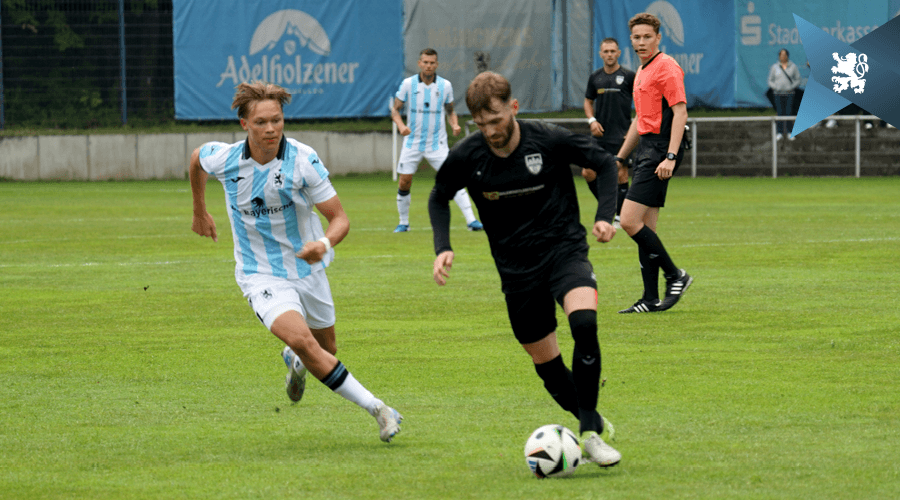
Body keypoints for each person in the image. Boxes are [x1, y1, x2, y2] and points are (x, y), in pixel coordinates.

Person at [189, 81, 402, 443]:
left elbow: (340, 218)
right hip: (260, 274)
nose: (271, 128)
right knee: (304, 340)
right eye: (261, 122)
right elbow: (196, 160)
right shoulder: (224, 158)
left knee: (326, 348)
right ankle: (379, 409)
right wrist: (199, 210)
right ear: (244, 124)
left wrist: (323, 242)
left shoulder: (303, 160)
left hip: (307, 269)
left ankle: (297, 360)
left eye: (277, 120)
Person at [429, 71, 622, 467]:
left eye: (496, 120)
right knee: (549, 368)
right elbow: (438, 196)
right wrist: (442, 247)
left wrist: (607, 216)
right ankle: (594, 419)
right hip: (517, 272)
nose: (490, 130)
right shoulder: (469, 155)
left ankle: (588, 434)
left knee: (584, 324)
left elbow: (604, 164)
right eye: (481, 124)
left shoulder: (548, 139)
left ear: (513, 107)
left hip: (564, 252)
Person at [614, 12, 693, 314]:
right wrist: (621, 157)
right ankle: (649, 298)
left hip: (661, 149)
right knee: (646, 228)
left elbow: (681, 113)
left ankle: (676, 275)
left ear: (659, 38)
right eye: (637, 37)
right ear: (631, 40)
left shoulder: (667, 68)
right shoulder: (643, 71)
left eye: (648, 36)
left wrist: (670, 156)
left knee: (629, 221)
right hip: (647, 148)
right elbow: (639, 120)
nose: (642, 41)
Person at [390, 48, 483, 233]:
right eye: (425, 62)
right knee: (404, 182)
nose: (428, 65)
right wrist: (401, 126)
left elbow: (450, 110)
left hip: (437, 144)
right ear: (419, 63)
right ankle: (404, 223)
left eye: (432, 63)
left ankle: (471, 221)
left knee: (454, 178)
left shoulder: (445, 86)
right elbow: (395, 110)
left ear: (437, 65)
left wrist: (455, 124)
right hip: (413, 143)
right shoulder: (408, 84)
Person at [584, 37, 635, 227]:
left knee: (621, 172)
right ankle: (609, 204)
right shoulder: (595, 77)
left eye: (613, 51)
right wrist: (592, 121)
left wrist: (633, 129)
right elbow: (588, 101)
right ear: (600, 54)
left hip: (621, 135)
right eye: (606, 51)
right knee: (588, 172)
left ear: (619, 53)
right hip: (599, 136)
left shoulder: (629, 76)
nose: (609, 55)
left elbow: (641, 101)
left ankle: (621, 216)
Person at [767, 48, 801, 140]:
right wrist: (775, 87)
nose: (783, 56)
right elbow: (770, 80)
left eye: (784, 55)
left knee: (789, 112)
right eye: (781, 55)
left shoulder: (793, 66)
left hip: (789, 94)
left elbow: (798, 80)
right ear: (779, 56)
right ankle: (780, 132)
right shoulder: (774, 67)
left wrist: (791, 87)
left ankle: (790, 132)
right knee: (780, 113)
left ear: (787, 56)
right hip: (778, 94)